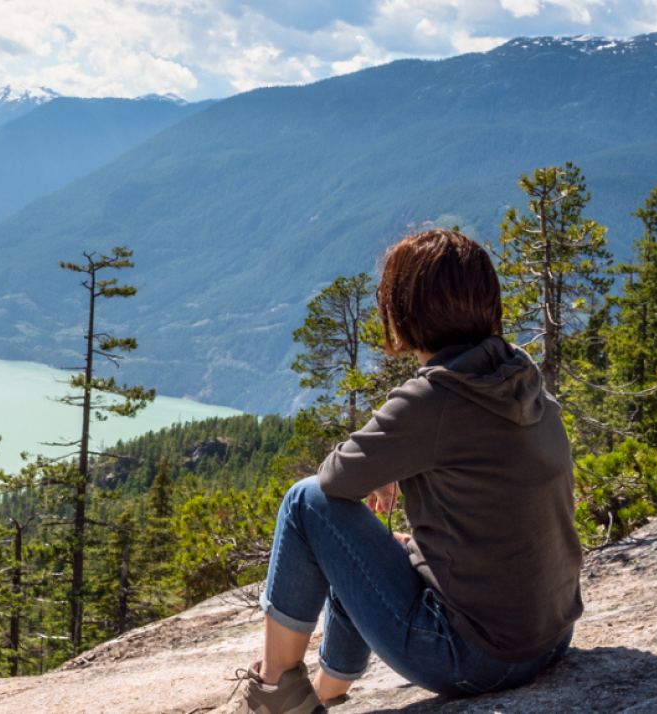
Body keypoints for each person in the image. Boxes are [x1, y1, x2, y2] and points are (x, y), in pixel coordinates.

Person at [232, 229, 583, 714]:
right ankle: (328, 690)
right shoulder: (517, 375)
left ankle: (276, 693)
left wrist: (395, 457)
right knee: (385, 546)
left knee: (304, 502)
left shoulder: (435, 398)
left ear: (402, 313)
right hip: (549, 638)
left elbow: (333, 481)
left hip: (478, 659)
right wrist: (400, 462)